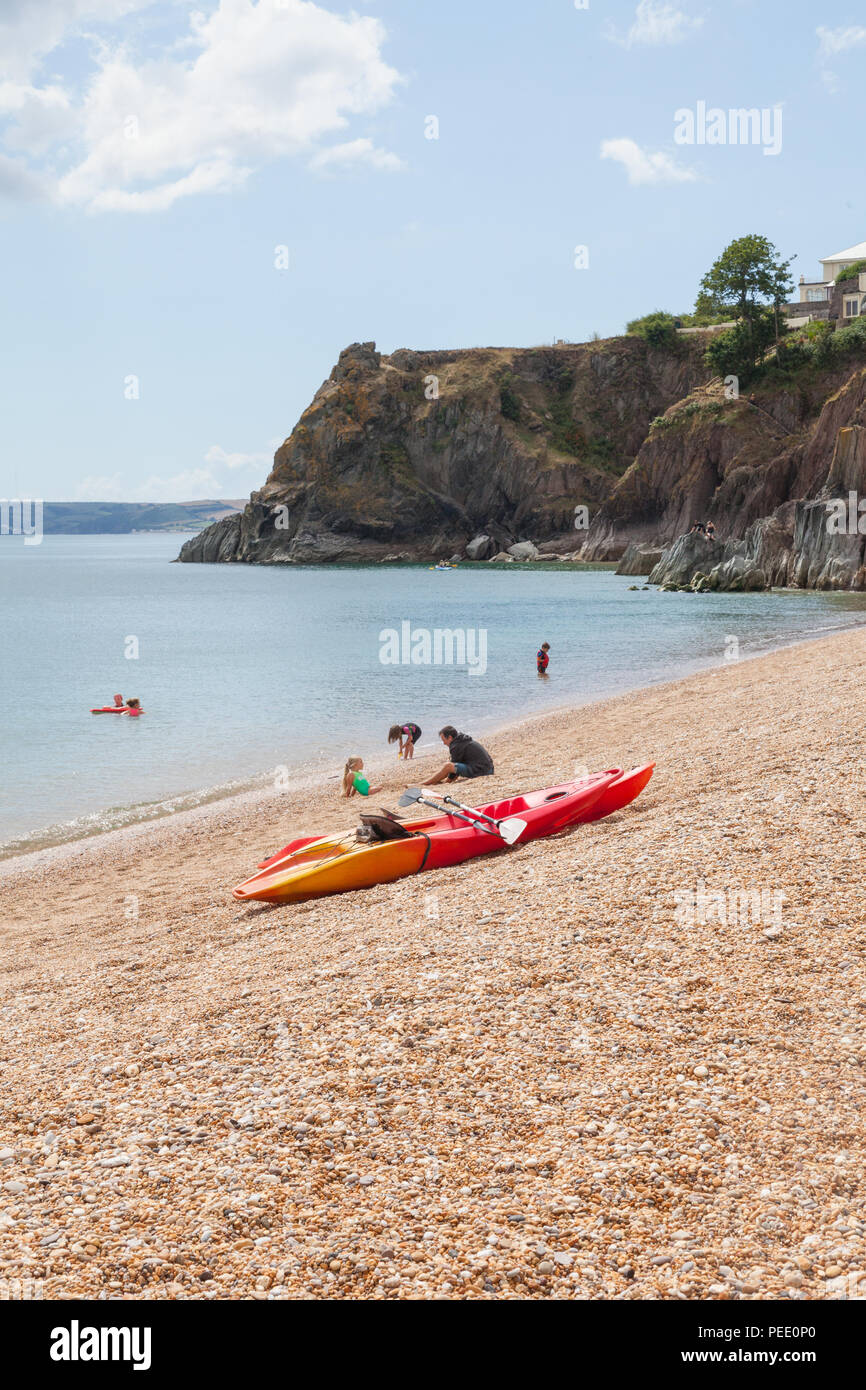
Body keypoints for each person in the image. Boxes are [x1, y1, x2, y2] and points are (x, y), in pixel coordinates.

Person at [422, 726, 494, 785]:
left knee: (448, 766)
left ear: (450, 737)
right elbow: (458, 764)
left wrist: (448, 782)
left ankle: (425, 783)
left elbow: (452, 767)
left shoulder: (456, 745)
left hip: (482, 771)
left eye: (444, 740)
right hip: (487, 768)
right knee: (449, 766)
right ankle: (432, 781)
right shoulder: (462, 740)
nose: (444, 743)